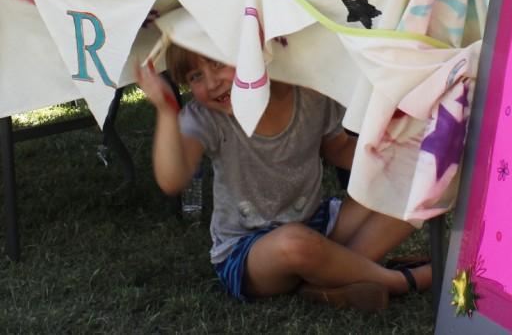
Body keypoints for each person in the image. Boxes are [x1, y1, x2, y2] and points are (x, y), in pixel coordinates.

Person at [135, 47, 430, 310]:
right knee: (294, 244)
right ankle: (402, 281)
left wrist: (396, 155)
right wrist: (165, 111)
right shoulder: (205, 118)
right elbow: (172, 180)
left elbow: (339, 149)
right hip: (248, 253)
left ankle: (326, 282)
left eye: (217, 63)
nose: (211, 83)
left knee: (413, 187)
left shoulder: (309, 96)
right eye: (196, 76)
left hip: (317, 224)